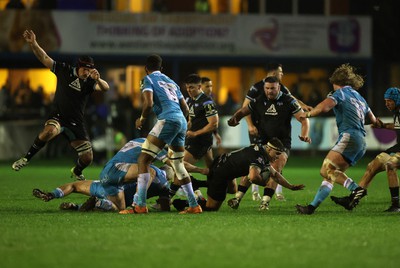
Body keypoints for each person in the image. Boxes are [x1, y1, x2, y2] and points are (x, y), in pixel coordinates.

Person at [12, 30, 110, 181]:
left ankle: (77, 170)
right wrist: (33, 43)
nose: (87, 73)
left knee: (87, 158)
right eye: (85, 69)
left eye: (90, 70)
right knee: (49, 132)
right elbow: (44, 57)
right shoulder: (64, 70)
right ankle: (25, 159)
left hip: (76, 122)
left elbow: (105, 88)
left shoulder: (90, 81)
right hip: (58, 116)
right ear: (79, 66)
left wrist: (98, 79)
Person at [295, 63, 382, 215]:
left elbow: (324, 107)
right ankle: (311, 208)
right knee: (332, 174)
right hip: (361, 141)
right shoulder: (360, 97)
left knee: (326, 169)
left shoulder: (339, 94)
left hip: (350, 137)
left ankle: (356, 189)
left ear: (336, 82)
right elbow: (374, 120)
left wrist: (307, 114)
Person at [226, 76, 311, 211]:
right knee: (251, 168)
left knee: (275, 168)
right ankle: (237, 199)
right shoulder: (259, 100)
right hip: (262, 142)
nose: (269, 91)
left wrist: (305, 134)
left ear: (279, 87)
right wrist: (235, 118)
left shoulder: (289, 101)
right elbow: (243, 110)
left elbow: (304, 119)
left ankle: (264, 202)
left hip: (281, 144)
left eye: (272, 88)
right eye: (267, 88)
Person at [133, 54, 202, 214]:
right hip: (181, 121)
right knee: (178, 164)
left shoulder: (147, 80)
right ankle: (193, 205)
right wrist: (182, 124)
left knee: (143, 159)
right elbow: (185, 108)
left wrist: (142, 118)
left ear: (146, 68)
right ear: (161, 68)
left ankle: (140, 205)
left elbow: (148, 103)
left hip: (168, 120)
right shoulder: (172, 82)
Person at [242, 62, 312, 201]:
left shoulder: (281, 88)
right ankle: (255, 191)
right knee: (257, 159)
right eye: (280, 72)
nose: (282, 74)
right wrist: (250, 125)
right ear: (273, 73)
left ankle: (278, 191)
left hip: (275, 130)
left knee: (277, 159)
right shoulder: (256, 88)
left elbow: (291, 99)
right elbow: (245, 107)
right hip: (259, 130)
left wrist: (303, 106)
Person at [331, 87, 400, 212]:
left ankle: (396, 205)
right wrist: (383, 125)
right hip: (398, 147)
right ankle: (352, 199)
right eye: (385, 101)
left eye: (389, 101)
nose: (386, 104)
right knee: (372, 166)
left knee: (390, 165)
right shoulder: (397, 111)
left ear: (397, 100)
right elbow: (397, 126)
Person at [201, 138, 305, 211]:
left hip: (223, 167)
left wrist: (290, 186)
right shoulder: (259, 157)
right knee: (211, 208)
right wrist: (264, 182)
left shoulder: (261, 151)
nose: (278, 157)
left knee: (232, 190)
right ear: (269, 149)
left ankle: (204, 184)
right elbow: (253, 177)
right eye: (277, 153)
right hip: (220, 173)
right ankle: (193, 191)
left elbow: (276, 175)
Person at [32, 164, 173, 212]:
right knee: (118, 208)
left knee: (75, 185)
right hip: (120, 195)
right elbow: (165, 207)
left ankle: (52, 194)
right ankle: (99, 203)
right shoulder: (164, 184)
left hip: (106, 182)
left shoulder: (147, 166)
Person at [184, 74, 219, 168]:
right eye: (187, 87)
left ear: (199, 87)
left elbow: (214, 124)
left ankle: (203, 172)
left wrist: (195, 133)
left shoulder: (207, 102)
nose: (188, 90)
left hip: (200, 141)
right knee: (212, 169)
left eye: (191, 87)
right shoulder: (191, 100)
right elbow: (191, 121)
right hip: (194, 139)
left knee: (180, 166)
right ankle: (219, 180)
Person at [201, 76, 222, 147]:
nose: (210, 89)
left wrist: (216, 134)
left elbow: (212, 120)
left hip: (203, 135)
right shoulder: (191, 99)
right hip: (194, 134)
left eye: (211, 86)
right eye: (207, 86)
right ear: (200, 87)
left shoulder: (209, 101)